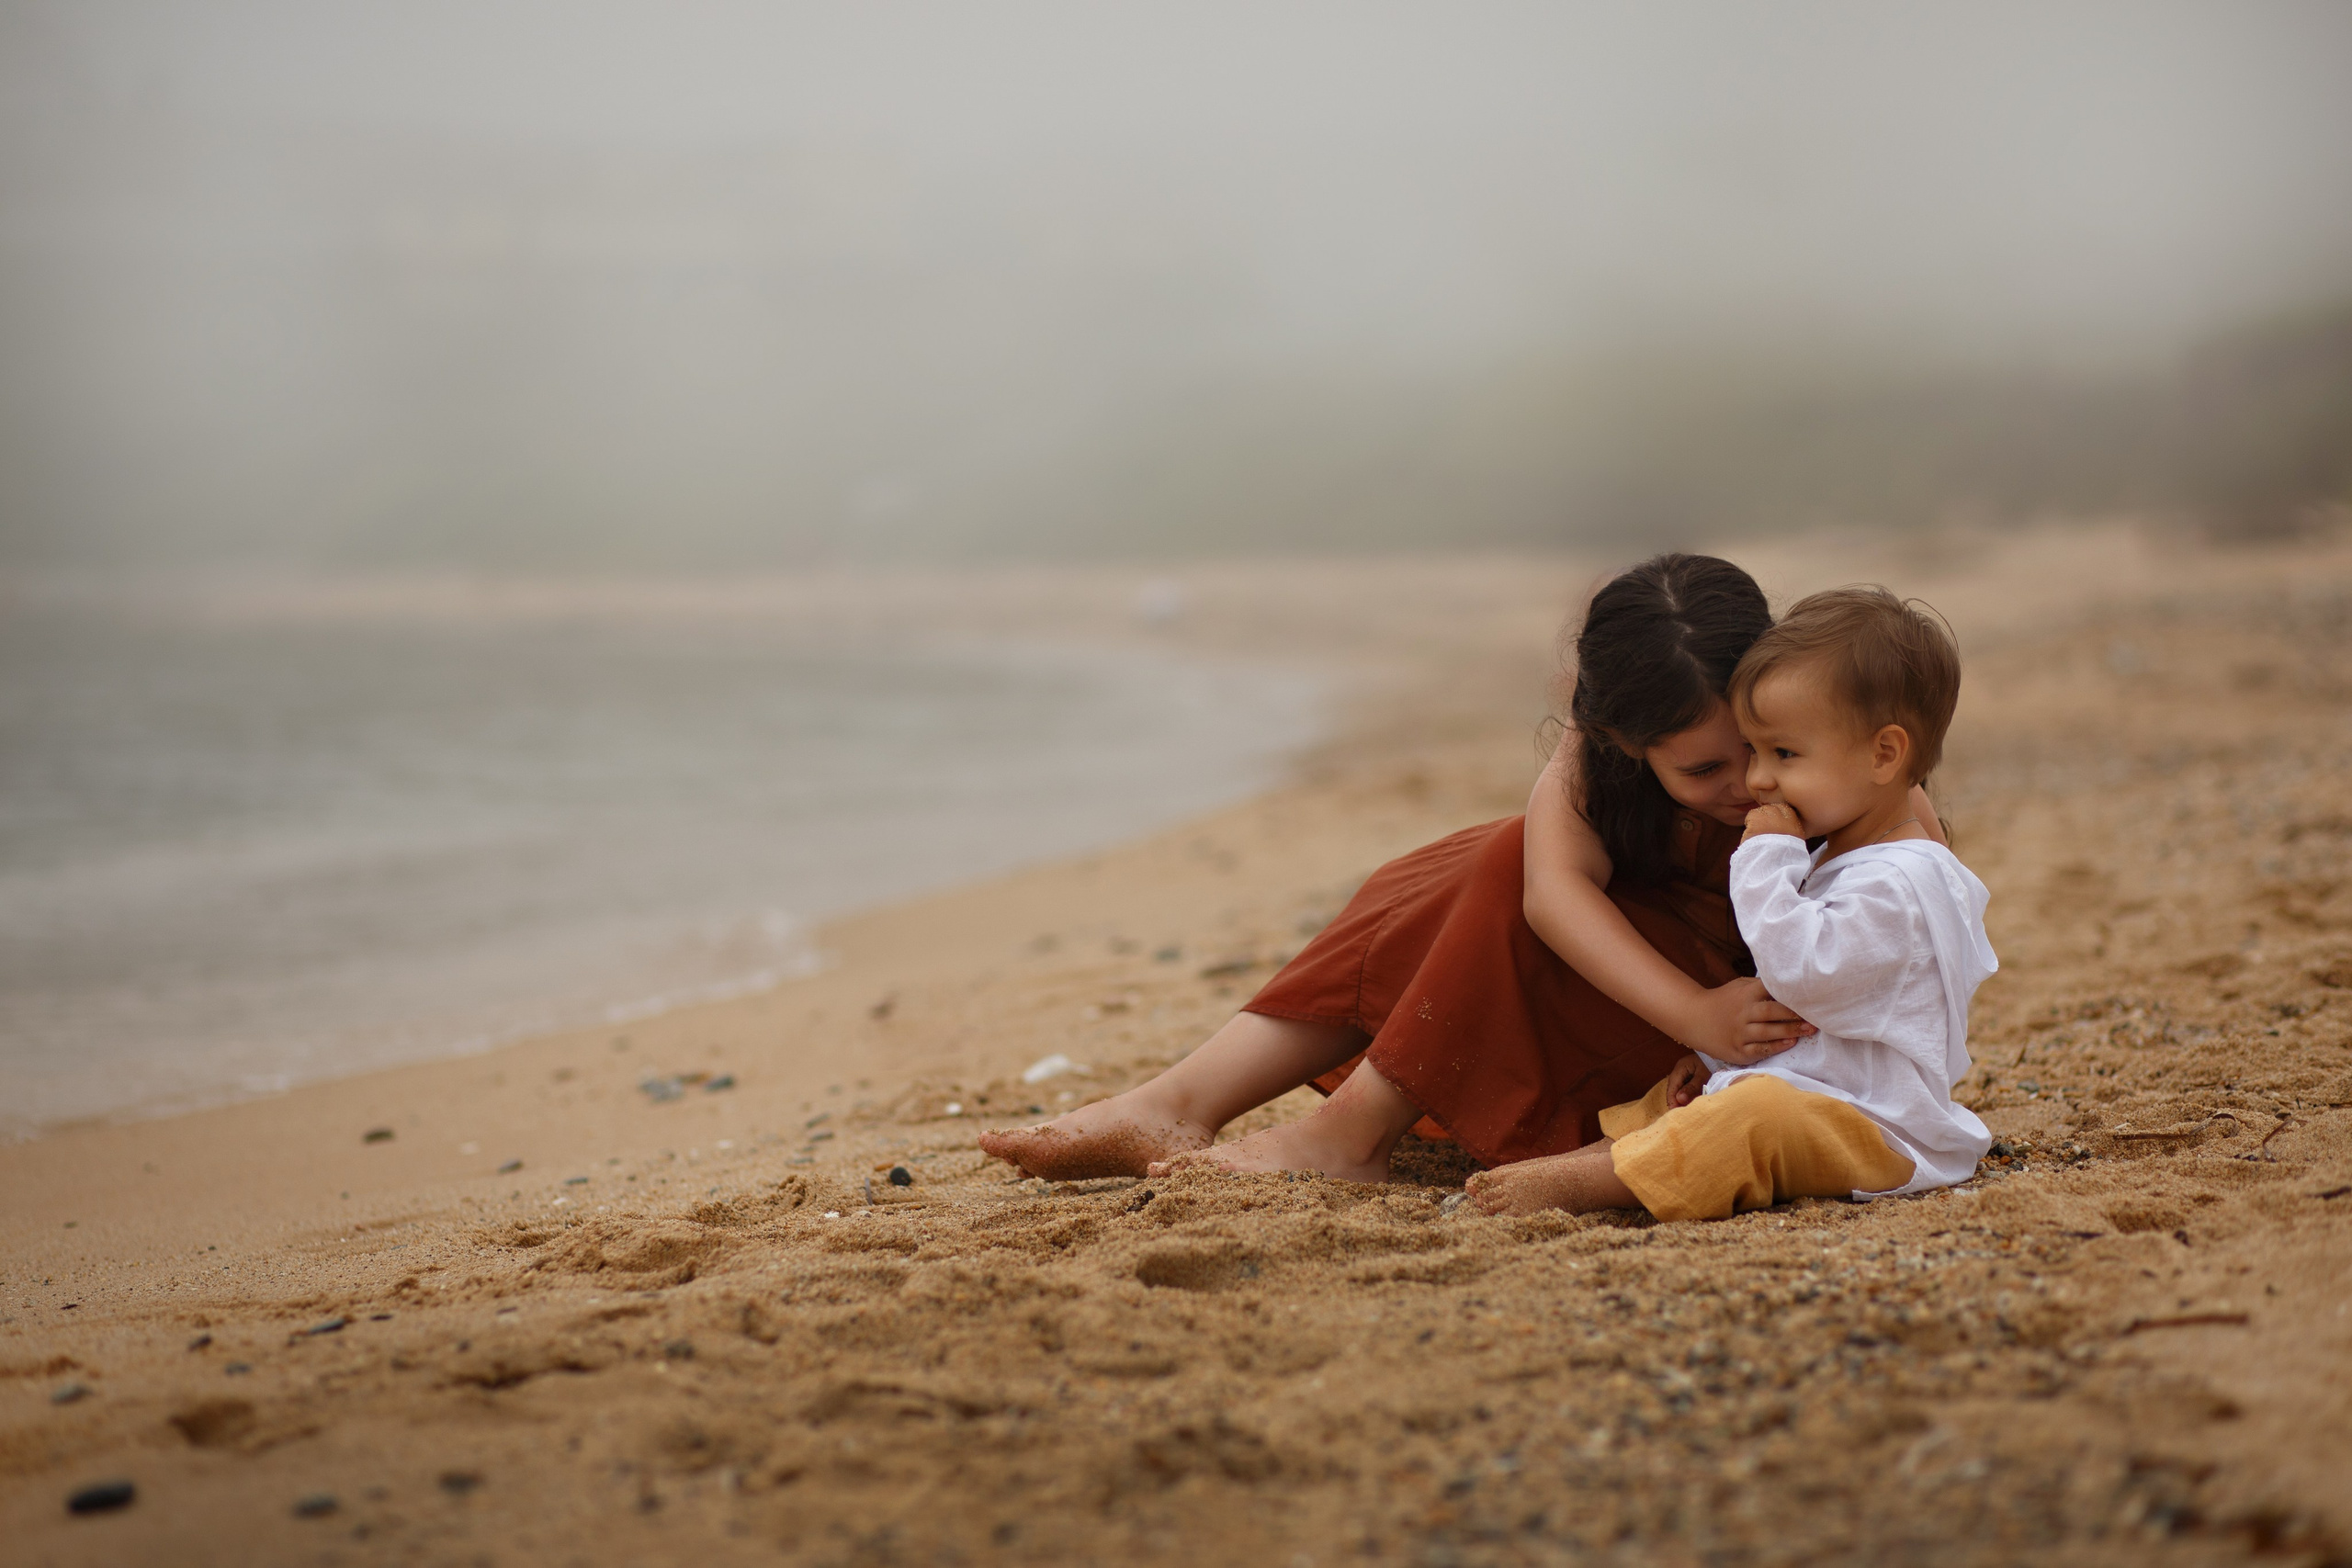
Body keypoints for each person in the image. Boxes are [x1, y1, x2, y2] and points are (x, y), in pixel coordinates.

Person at [978, 554, 1943, 1184]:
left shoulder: (1827, 761)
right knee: (1452, 873)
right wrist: (1687, 1010)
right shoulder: (1595, 758)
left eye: (1756, 748)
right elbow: (1551, 893)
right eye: (1703, 769)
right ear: (1618, 737)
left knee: (1494, 866)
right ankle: (1178, 1104)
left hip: (1752, 1026)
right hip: (1673, 1004)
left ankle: (1341, 1135)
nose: (1747, 783)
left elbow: (1906, 936)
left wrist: (1713, 1025)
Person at [1465, 586, 1995, 1219]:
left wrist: (1766, 857)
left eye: (1784, 754)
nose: (1758, 779)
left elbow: (1804, 974)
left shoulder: (1903, 882)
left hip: (1877, 1125)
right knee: (1688, 1094)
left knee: (1752, 1119)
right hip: (1821, 1092)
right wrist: (1711, 1056)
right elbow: (1804, 1008)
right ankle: (1601, 1156)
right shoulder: (1856, 860)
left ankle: (1594, 1183)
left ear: (1884, 754)